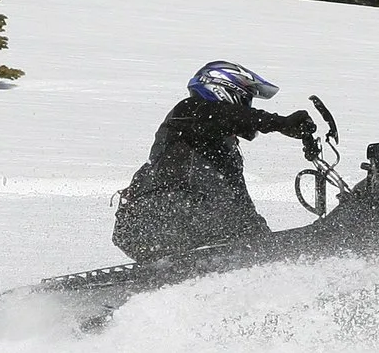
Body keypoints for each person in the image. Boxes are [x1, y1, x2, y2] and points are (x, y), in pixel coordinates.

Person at [112, 60, 318, 260]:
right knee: (227, 216)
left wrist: (272, 250)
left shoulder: (225, 150)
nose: (247, 107)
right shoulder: (190, 110)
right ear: (223, 89)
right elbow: (225, 115)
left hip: (180, 224)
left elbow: (240, 207)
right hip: (152, 215)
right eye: (245, 100)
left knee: (239, 221)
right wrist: (280, 122)